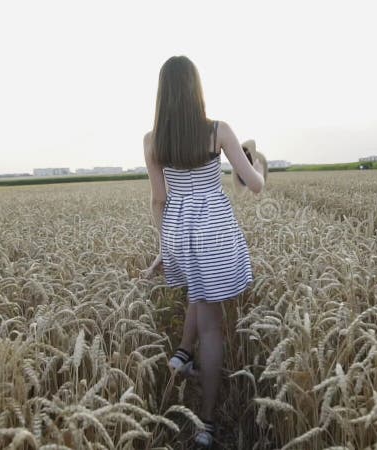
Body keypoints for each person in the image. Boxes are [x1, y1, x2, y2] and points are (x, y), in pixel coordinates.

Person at [140, 55, 265, 448]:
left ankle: (181, 354)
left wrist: (165, 247)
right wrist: (256, 160)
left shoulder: (153, 141)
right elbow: (254, 184)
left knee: (198, 289)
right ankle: (207, 424)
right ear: (197, 89)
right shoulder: (218, 131)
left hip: (178, 229)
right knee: (213, 326)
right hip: (212, 230)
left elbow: (159, 200)